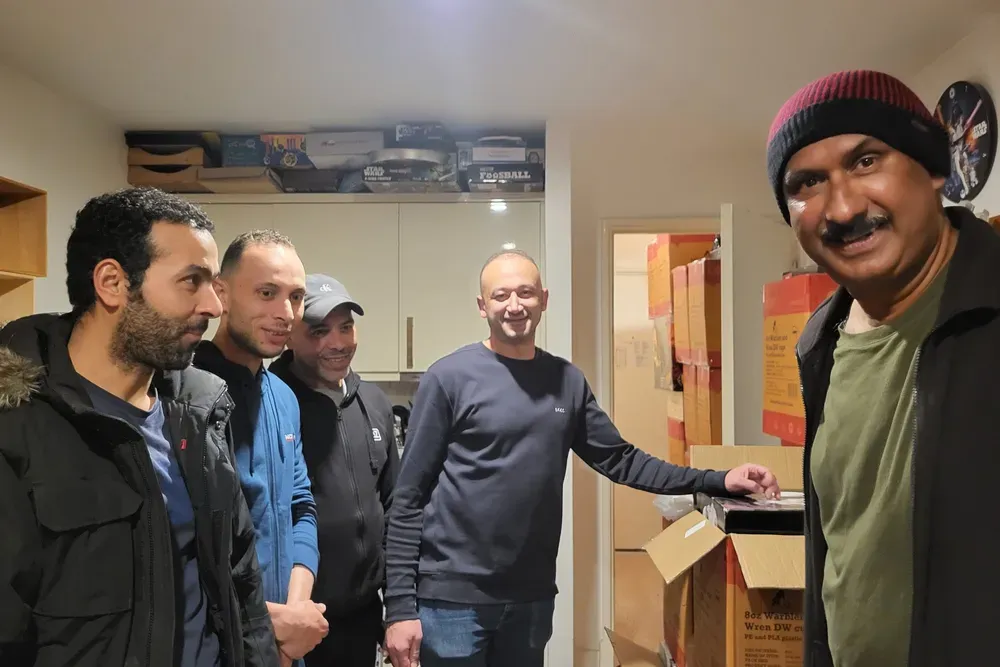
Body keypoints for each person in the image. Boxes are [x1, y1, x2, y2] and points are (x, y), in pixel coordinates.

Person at [383, 249, 781, 667]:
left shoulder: (566, 382)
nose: (514, 305)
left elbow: (622, 460)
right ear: (483, 306)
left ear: (544, 300)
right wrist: (400, 608)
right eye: (501, 296)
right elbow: (408, 497)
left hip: (530, 597)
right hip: (451, 600)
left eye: (525, 293)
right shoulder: (448, 378)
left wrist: (717, 480)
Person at [766, 69, 1000, 667]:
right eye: (807, 183)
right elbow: (842, 553)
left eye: (866, 160)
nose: (841, 207)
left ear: (934, 170)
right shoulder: (821, 342)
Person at [0, 187, 278, 667]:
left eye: (213, 284)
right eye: (191, 281)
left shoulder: (202, 409)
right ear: (112, 282)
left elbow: (240, 583)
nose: (214, 307)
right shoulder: (17, 427)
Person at [193, 230, 327, 666]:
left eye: (295, 297)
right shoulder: (182, 395)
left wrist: (297, 612)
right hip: (218, 645)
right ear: (222, 293)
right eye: (267, 293)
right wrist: (267, 624)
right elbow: (185, 546)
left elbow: (301, 506)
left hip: (285, 643)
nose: (285, 312)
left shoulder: (283, 397)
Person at [269, 274, 400, 667]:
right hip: (298, 620)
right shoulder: (272, 401)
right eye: (319, 331)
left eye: (346, 328)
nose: (338, 343)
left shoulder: (374, 402)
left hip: (364, 617)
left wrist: (397, 605)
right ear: (290, 334)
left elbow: (396, 505)